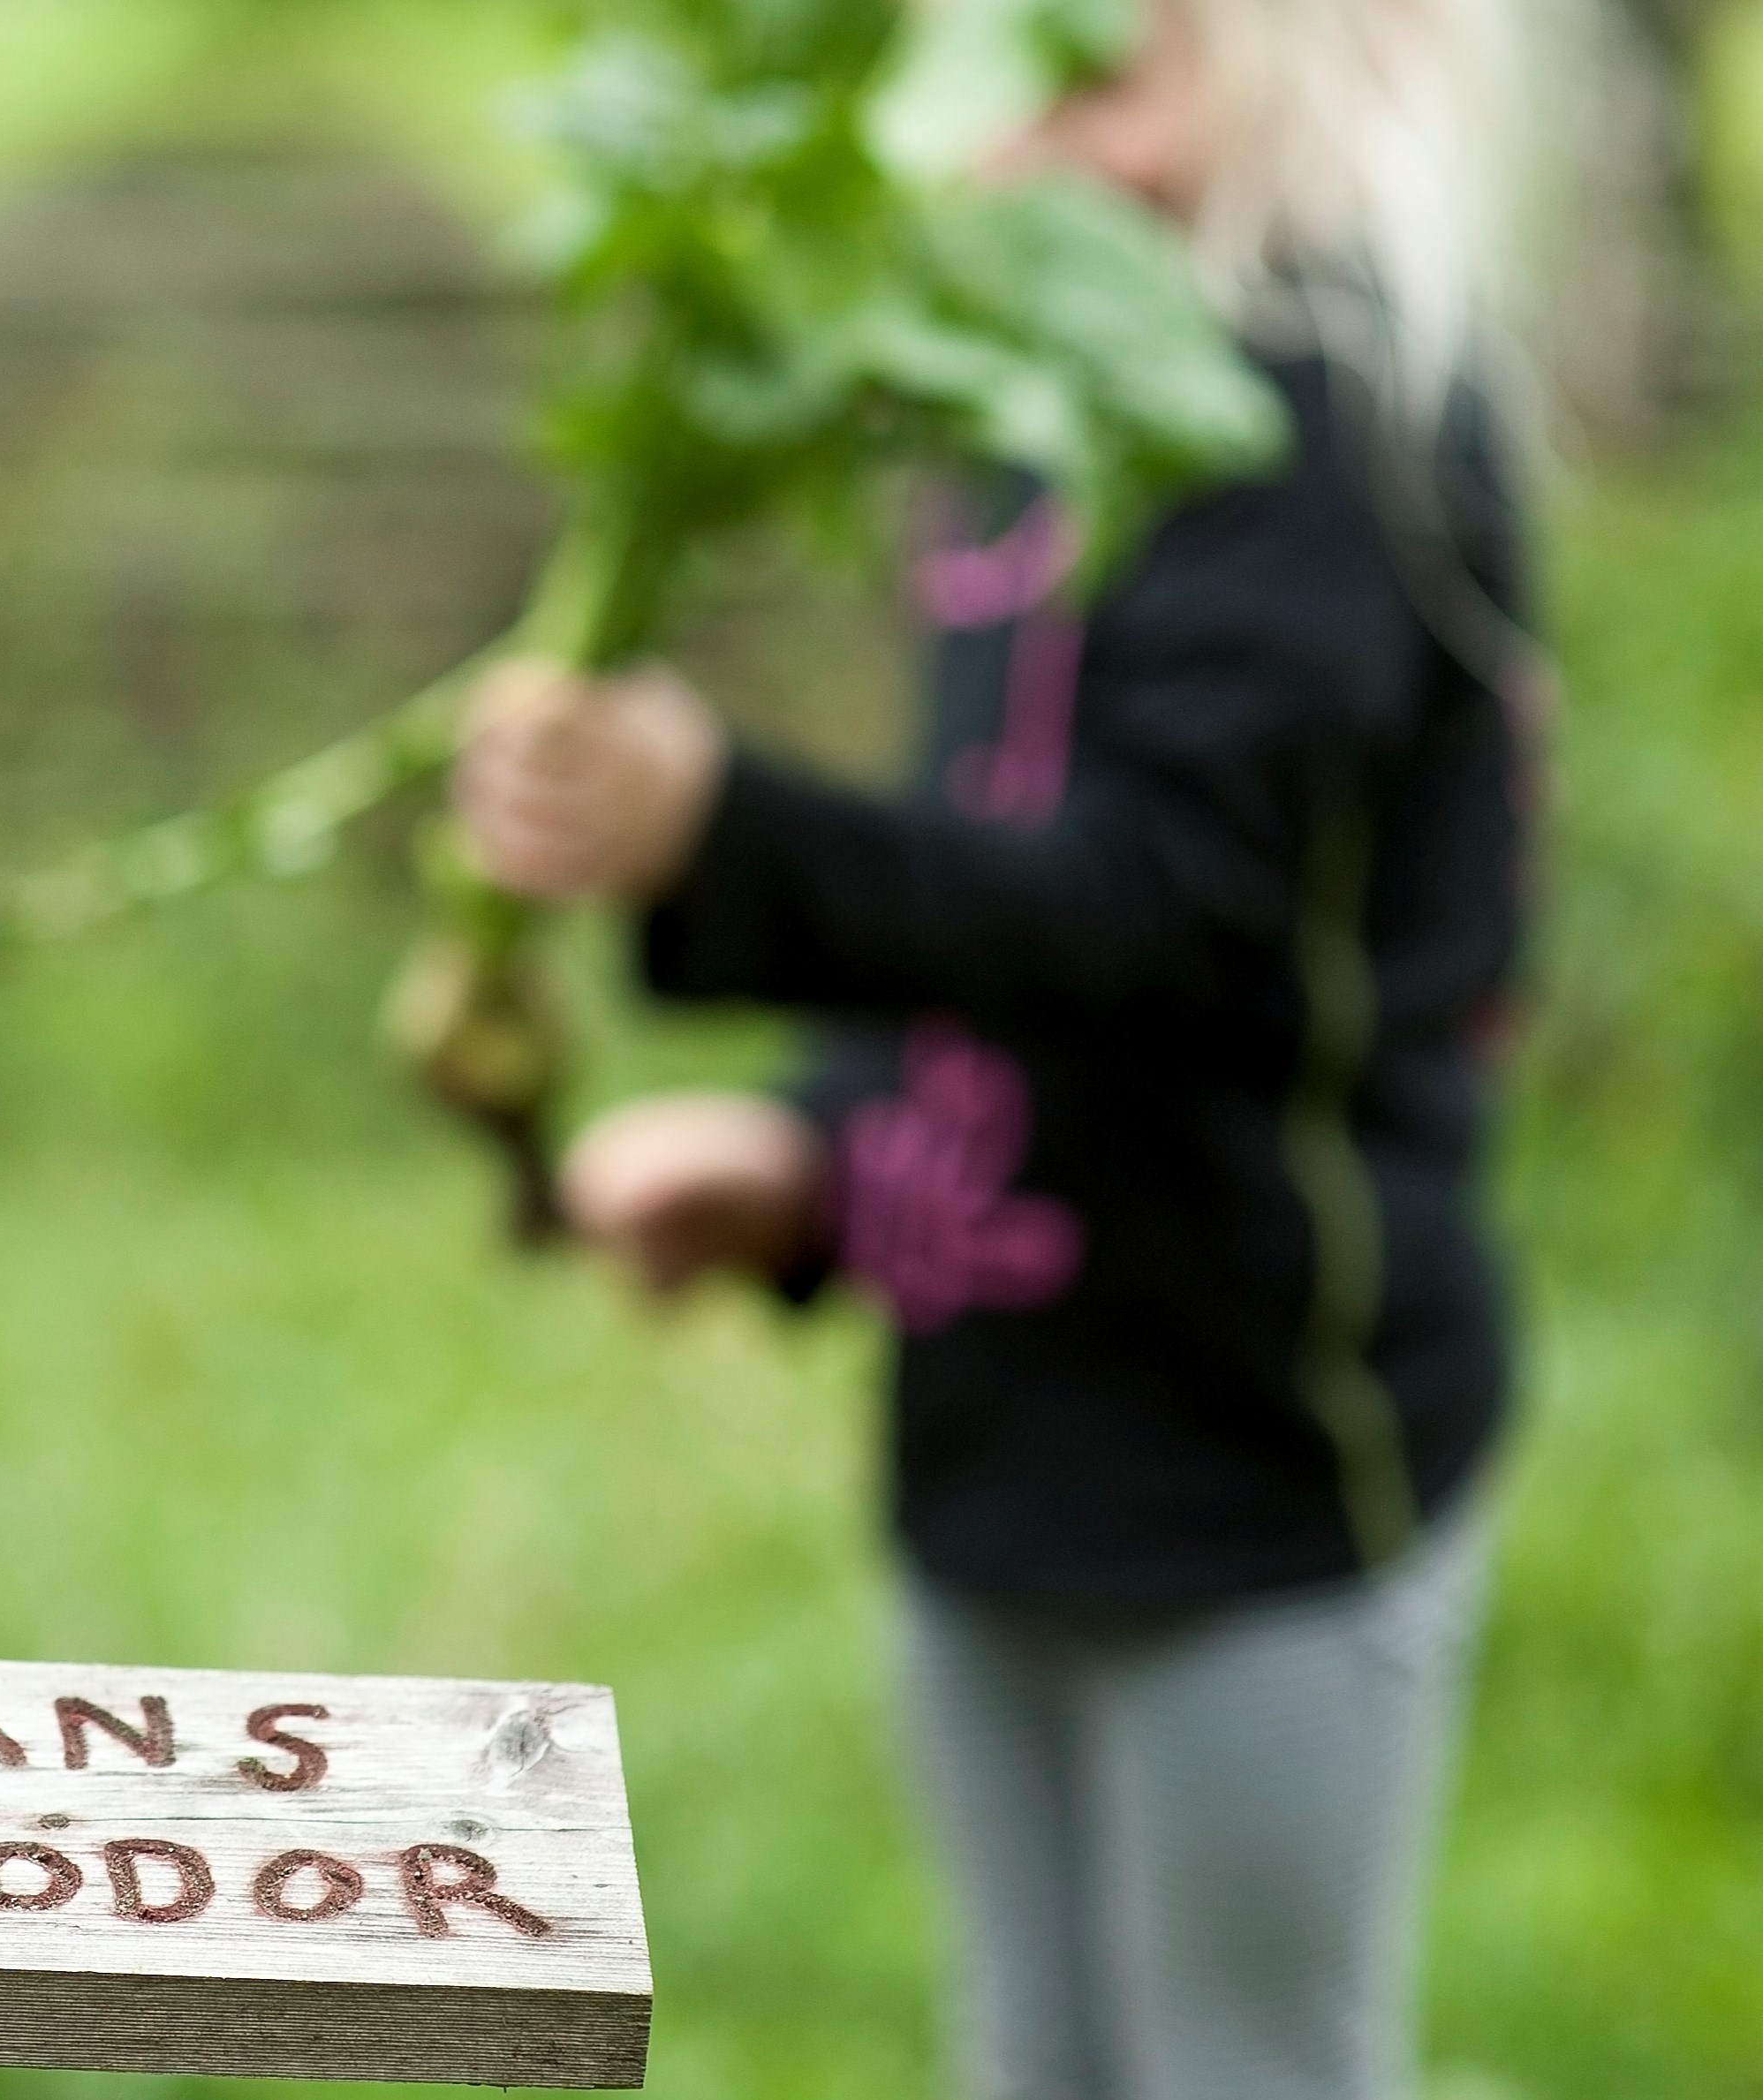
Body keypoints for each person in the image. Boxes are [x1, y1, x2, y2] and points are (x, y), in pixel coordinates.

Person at [450, 3, 1538, 2096]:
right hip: (1006, 1432)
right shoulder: (1036, 406)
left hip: (1257, 1454)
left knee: (1245, 2056)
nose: (1027, 127)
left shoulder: (1316, 425)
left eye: (1108, 65)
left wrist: (727, 839)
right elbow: (984, 900)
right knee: (1031, 2044)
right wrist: (819, 1157)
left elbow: (1160, 918)